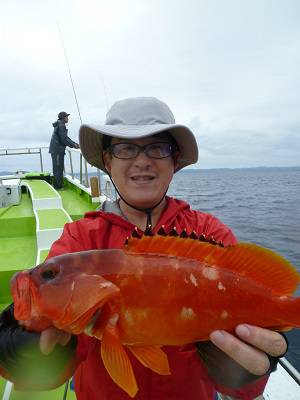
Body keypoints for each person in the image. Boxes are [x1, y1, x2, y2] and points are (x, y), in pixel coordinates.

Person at [0, 97, 288, 399]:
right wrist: (22, 350)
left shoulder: (209, 233)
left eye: (157, 147)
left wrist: (245, 371)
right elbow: (48, 369)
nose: (142, 160)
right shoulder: (80, 239)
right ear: (107, 161)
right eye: (125, 148)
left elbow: (242, 388)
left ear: (175, 161)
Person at [49, 111, 80, 189]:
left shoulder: (59, 124)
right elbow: (64, 139)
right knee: (58, 168)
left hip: (57, 150)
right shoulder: (61, 125)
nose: (68, 118)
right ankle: (58, 186)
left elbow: (65, 137)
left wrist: (74, 144)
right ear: (63, 118)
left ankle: (59, 184)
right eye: (66, 117)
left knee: (58, 167)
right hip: (57, 150)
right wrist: (74, 145)